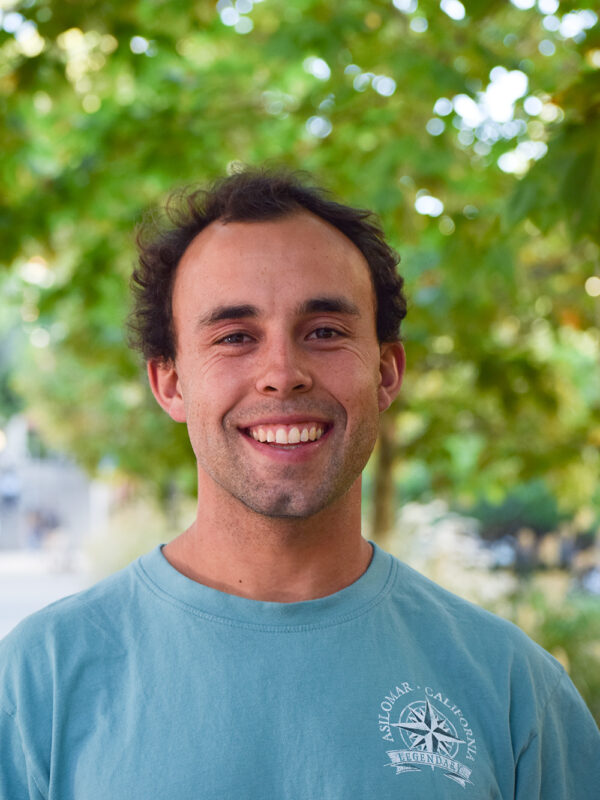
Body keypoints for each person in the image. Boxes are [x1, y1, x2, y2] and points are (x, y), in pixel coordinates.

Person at [1, 169, 598, 799]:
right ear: (170, 383)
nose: (283, 373)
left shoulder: (513, 691)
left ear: (386, 372)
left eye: (325, 332)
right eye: (235, 337)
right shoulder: (38, 684)